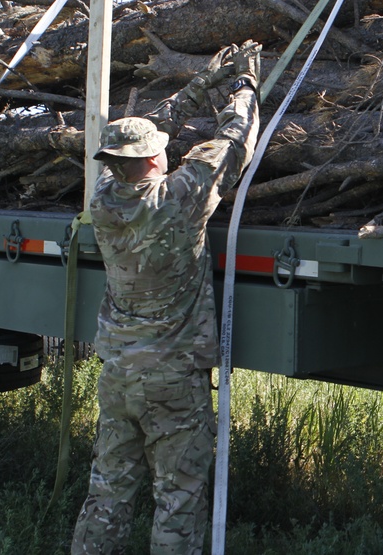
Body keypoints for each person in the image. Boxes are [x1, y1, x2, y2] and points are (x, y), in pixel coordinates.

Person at [71, 41, 262, 555]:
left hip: (118, 373)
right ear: (156, 156)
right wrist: (243, 87)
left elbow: (140, 131)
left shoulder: (103, 198)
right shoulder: (180, 196)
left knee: (108, 491)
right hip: (174, 378)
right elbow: (233, 142)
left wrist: (201, 83)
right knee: (178, 499)